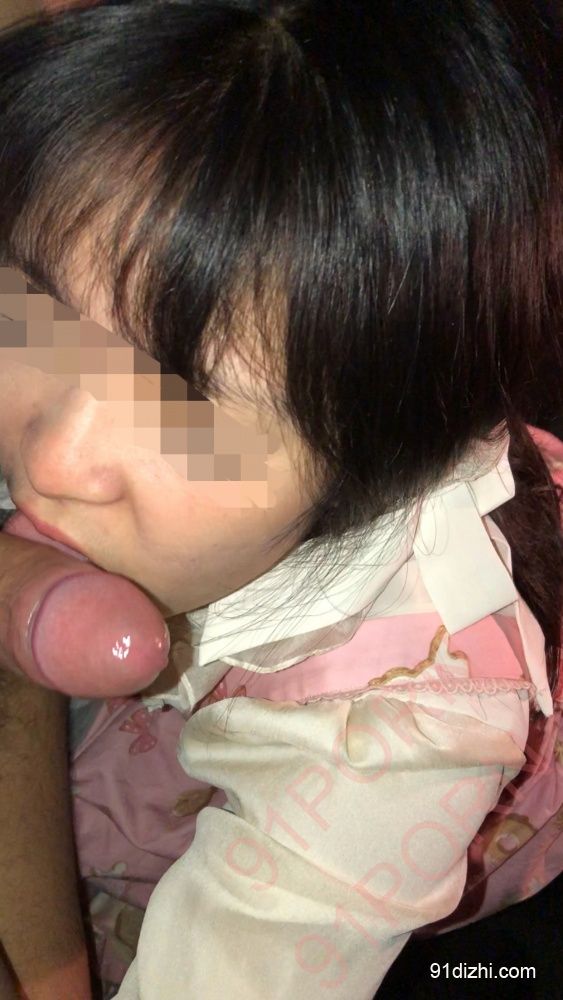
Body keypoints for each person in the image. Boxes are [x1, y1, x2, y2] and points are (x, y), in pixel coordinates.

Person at [0, 1, 561, 998]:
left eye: (184, 407)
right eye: (37, 309)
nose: (53, 459)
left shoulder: (388, 748)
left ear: (374, 467)